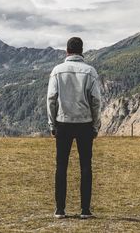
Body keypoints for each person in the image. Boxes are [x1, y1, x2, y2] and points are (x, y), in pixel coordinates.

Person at [47, 37, 101, 219]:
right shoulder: (90, 71)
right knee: (86, 166)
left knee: (61, 166)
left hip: (63, 123)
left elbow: (51, 99)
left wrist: (52, 124)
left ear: (67, 51)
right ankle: (85, 210)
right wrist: (95, 125)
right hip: (84, 124)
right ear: (82, 51)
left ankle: (60, 209)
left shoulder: (57, 71)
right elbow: (96, 101)